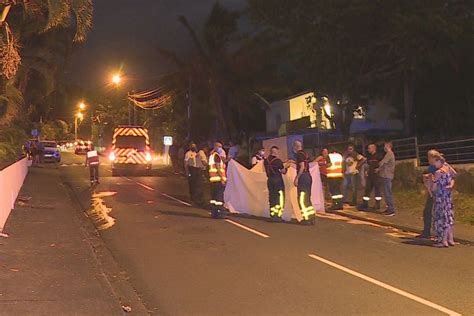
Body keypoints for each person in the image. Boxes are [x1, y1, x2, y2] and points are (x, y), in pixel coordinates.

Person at [418, 150, 456, 239]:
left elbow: (451, 176)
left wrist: (430, 182)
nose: (428, 159)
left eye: (429, 157)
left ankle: (439, 237)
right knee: (444, 215)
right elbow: (452, 176)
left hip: (438, 194)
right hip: (443, 194)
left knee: (438, 214)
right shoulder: (441, 166)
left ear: (433, 158)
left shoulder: (439, 167)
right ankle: (445, 238)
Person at [431, 155, 457, 247]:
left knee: (441, 218)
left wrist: (433, 181)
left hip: (440, 197)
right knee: (449, 217)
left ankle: (443, 240)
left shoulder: (438, 172)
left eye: (435, 162)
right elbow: (454, 176)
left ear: (439, 162)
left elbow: (433, 188)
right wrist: (450, 185)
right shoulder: (448, 168)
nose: (434, 164)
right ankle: (450, 239)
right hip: (448, 196)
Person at [293, 140, 315, 224]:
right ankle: (312, 217)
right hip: (308, 176)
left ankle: (306, 219)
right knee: (307, 198)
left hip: (303, 177)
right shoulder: (305, 153)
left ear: (296, 147)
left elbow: (302, 167)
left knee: (302, 199)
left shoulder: (299, 154)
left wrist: (297, 178)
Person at [264, 146, 287, 220]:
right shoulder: (278, 161)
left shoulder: (265, 160)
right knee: (279, 197)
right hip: (278, 180)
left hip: (270, 180)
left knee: (272, 197)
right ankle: (278, 215)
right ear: (275, 152)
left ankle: (272, 214)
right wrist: (286, 167)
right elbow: (283, 171)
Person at [358, 143, 383, 211]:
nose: (368, 150)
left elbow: (382, 164)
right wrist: (366, 171)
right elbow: (368, 165)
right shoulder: (369, 157)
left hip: (376, 176)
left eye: (369, 148)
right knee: (367, 190)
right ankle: (365, 204)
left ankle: (377, 204)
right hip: (370, 175)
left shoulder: (378, 156)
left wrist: (379, 169)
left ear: (374, 148)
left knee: (377, 190)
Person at [208, 141, 227, 218]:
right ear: (215, 147)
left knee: (214, 198)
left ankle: (214, 212)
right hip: (218, 179)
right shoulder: (217, 156)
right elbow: (218, 168)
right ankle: (220, 213)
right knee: (219, 198)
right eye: (219, 146)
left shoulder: (211, 156)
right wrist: (222, 179)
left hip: (213, 180)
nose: (221, 148)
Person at [378, 141, 396, 216]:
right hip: (386, 175)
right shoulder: (389, 154)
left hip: (387, 176)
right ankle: (389, 209)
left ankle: (391, 210)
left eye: (385, 146)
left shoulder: (389, 154)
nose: (384, 147)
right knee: (386, 193)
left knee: (388, 193)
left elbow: (382, 163)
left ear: (388, 146)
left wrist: (379, 166)